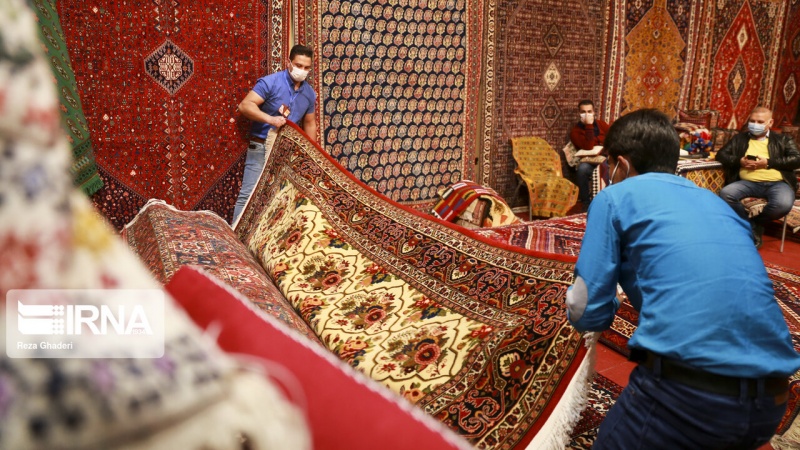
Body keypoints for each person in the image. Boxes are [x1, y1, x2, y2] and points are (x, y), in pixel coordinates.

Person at [566, 109, 800, 449]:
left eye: (608, 166)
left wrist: (606, 302)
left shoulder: (613, 198)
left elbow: (586, 309)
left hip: (690, 395)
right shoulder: (715, 201)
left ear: (621, 164)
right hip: (771, 400)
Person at [232, 44, 318, 223]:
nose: (302, 70)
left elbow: (310, 123)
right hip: (261, 146)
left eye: (306, 67)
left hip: (285, 152)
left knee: (278, 199)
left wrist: (311, 155)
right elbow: (245, 106)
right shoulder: (270, 82)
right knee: (249, 195)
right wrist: (270, 119)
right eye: (298, 65)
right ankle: (235, 235)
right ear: (288, 62)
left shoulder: (309, 94)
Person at [716, 106, 800, 248]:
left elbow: (797, 160)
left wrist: (768, 162)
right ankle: (749, 225)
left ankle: (756, 225)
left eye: (760, 122)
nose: (755, 125)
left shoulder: (784, 140)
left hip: (777, 183)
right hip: (747, 182)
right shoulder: (739, 139)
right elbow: (721, 155)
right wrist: (740, 161)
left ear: (770, 123)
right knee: (726, 194)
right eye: (752, 121)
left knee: (783, 204)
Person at [569, 99, 610, 210]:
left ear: (594, 112)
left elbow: (613, 135)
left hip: (606, 157)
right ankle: (586, 203)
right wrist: (589, 125)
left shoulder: (601, 124)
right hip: (589, 160)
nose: (587, 115)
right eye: (583, 112)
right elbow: (588, 146)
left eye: (589, 111)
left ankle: (609, 200)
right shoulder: (575, 132)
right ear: (579, 113)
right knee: (582, 169)